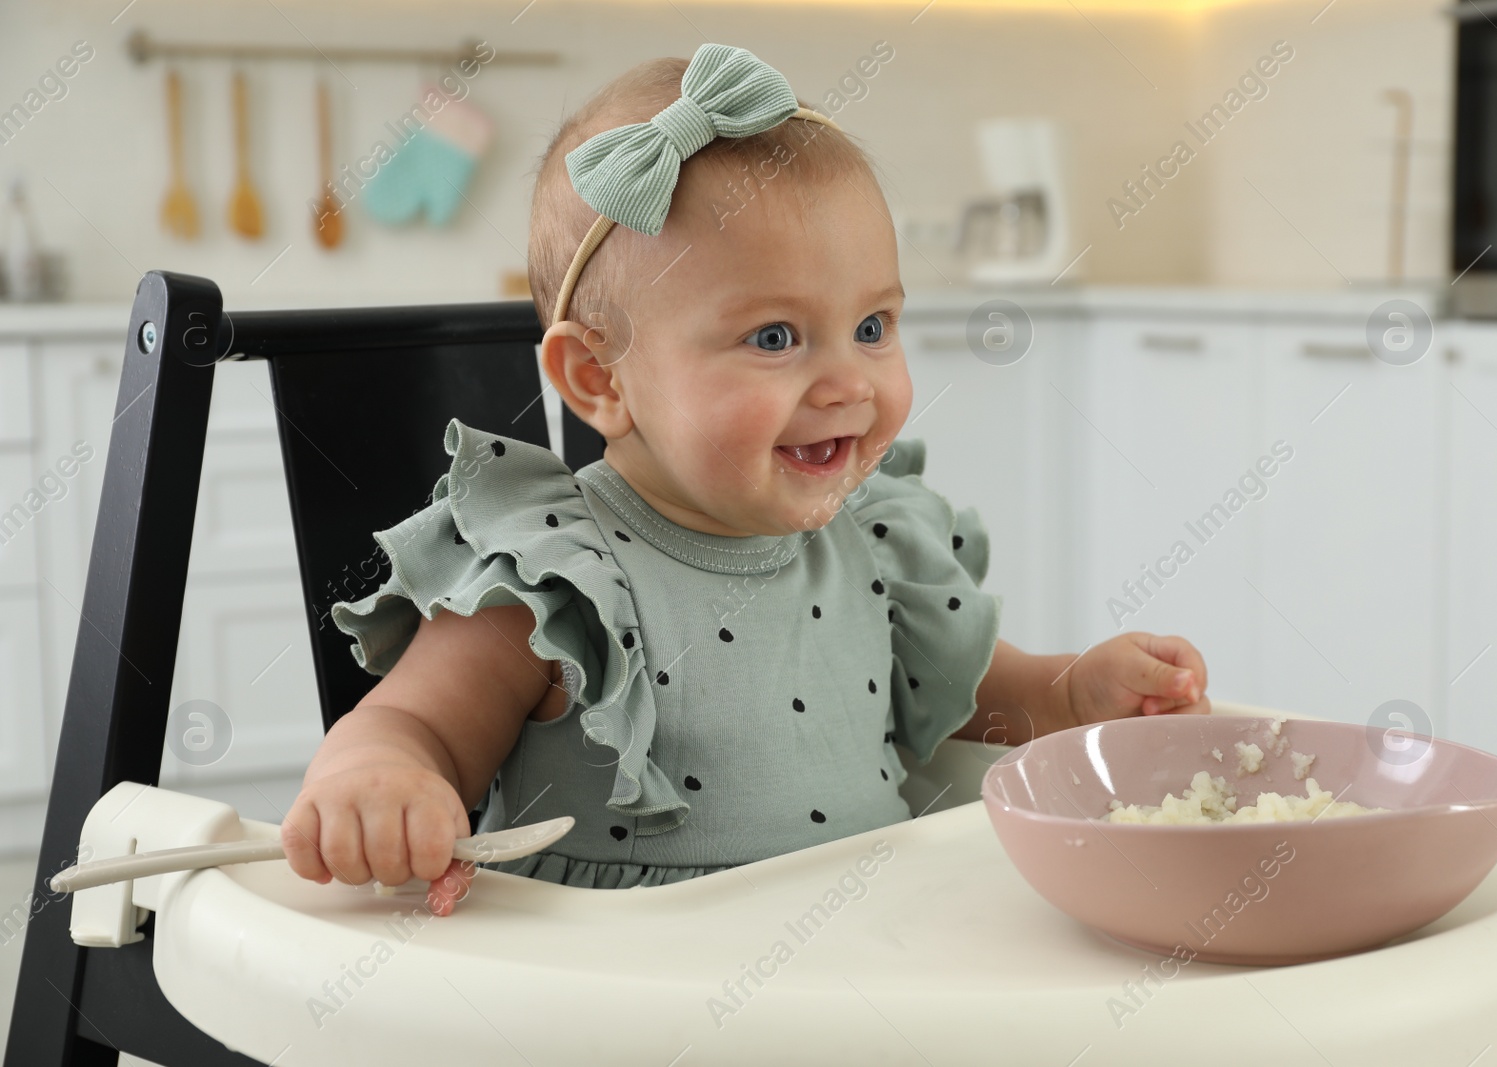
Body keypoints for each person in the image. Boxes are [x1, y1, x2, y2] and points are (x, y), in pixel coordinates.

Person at [281, 44, 1211, 916]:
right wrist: (380, 783)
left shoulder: (875, 541)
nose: (850, 382)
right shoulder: (552, 579)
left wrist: (1075, 694)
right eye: (775, 338)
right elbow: (409, 727)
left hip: (862, 957)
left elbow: (984, 707)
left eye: (874, 326)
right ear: (599, 379)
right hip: (618, 998)